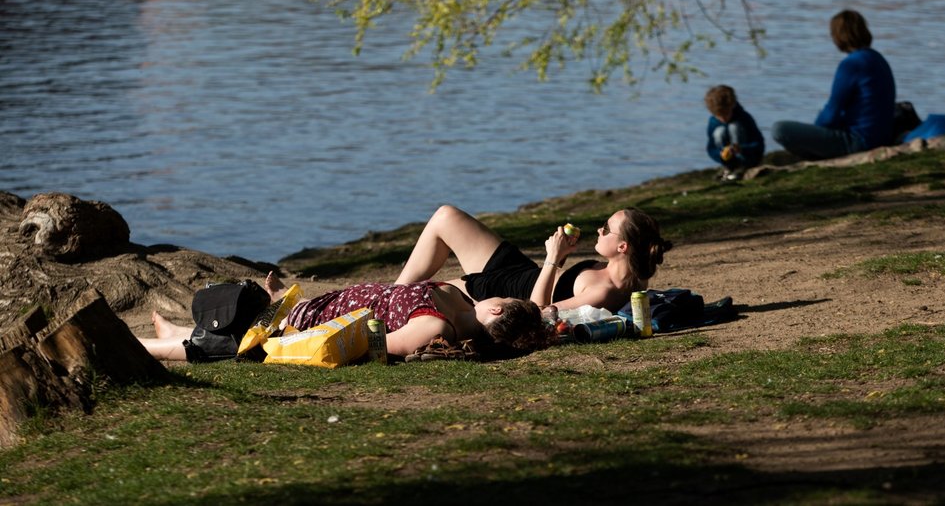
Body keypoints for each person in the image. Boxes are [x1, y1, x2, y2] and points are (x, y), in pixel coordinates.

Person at [138, 273, 552, 361]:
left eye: (500, 297)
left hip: (298, 329)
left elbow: (370, 347)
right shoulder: (457, 299)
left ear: (495, 310)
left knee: (228, 339)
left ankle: (151, 347)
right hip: (306, 308)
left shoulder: (436, 325)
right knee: (237, 303)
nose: (496, 294)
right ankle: (177, 330)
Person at [394, 204, 672, 314]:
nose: (600, 230)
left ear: (622, 246)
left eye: (607, 229)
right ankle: (389, 294)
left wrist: (552, 258)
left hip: (505, 291)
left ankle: (384, 299)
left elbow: (537, 310)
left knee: (420, 294)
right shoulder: (633, 271)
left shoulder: (604, 291)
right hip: (523, 271)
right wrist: (559, 259)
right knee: (446, 216)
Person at [772, 10, 896, 161]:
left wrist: (816, 131)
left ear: (838, 36)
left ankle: (815, 157)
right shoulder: (877, 58)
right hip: (881, 136)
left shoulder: (851, 64)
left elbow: (832, 111)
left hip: (860, 141)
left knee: (779, 129)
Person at [704, 84, 765, 180]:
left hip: (747, 156)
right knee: (719, 132)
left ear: (732, 106)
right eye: (719, 116)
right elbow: (711, 148)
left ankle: (743, 165)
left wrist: (743, 149)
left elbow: (758, 143)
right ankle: (729, 166)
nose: (723, 119)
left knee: (734, 127)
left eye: (726, 114)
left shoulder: (744, 118)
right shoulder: (713, 123)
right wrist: (720, 155)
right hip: (727, 157)